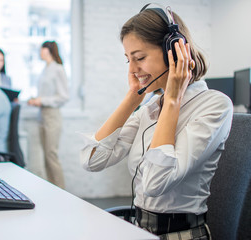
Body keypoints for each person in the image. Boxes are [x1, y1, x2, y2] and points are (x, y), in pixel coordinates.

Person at [80, 4, 233, 239]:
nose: (132, 69)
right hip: (141, 230)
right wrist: (133, 97)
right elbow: (93, 160)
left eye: (139, 58)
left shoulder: (214, 106)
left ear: (173, 52)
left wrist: (172, 99)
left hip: (183, 234)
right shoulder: (151, 107)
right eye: (127, 60)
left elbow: (154, 183)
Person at [27, 41, 69, 188]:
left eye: (42, 49)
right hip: (42, 115)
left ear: (48, 50)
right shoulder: (45, 69)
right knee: (46, 156)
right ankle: (53, 189)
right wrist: (35, 100)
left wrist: (42, 100)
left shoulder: (58, 69)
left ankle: (61, 190)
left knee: (51, 155)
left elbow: (63, 97)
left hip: (52, 115)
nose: (40, 52)